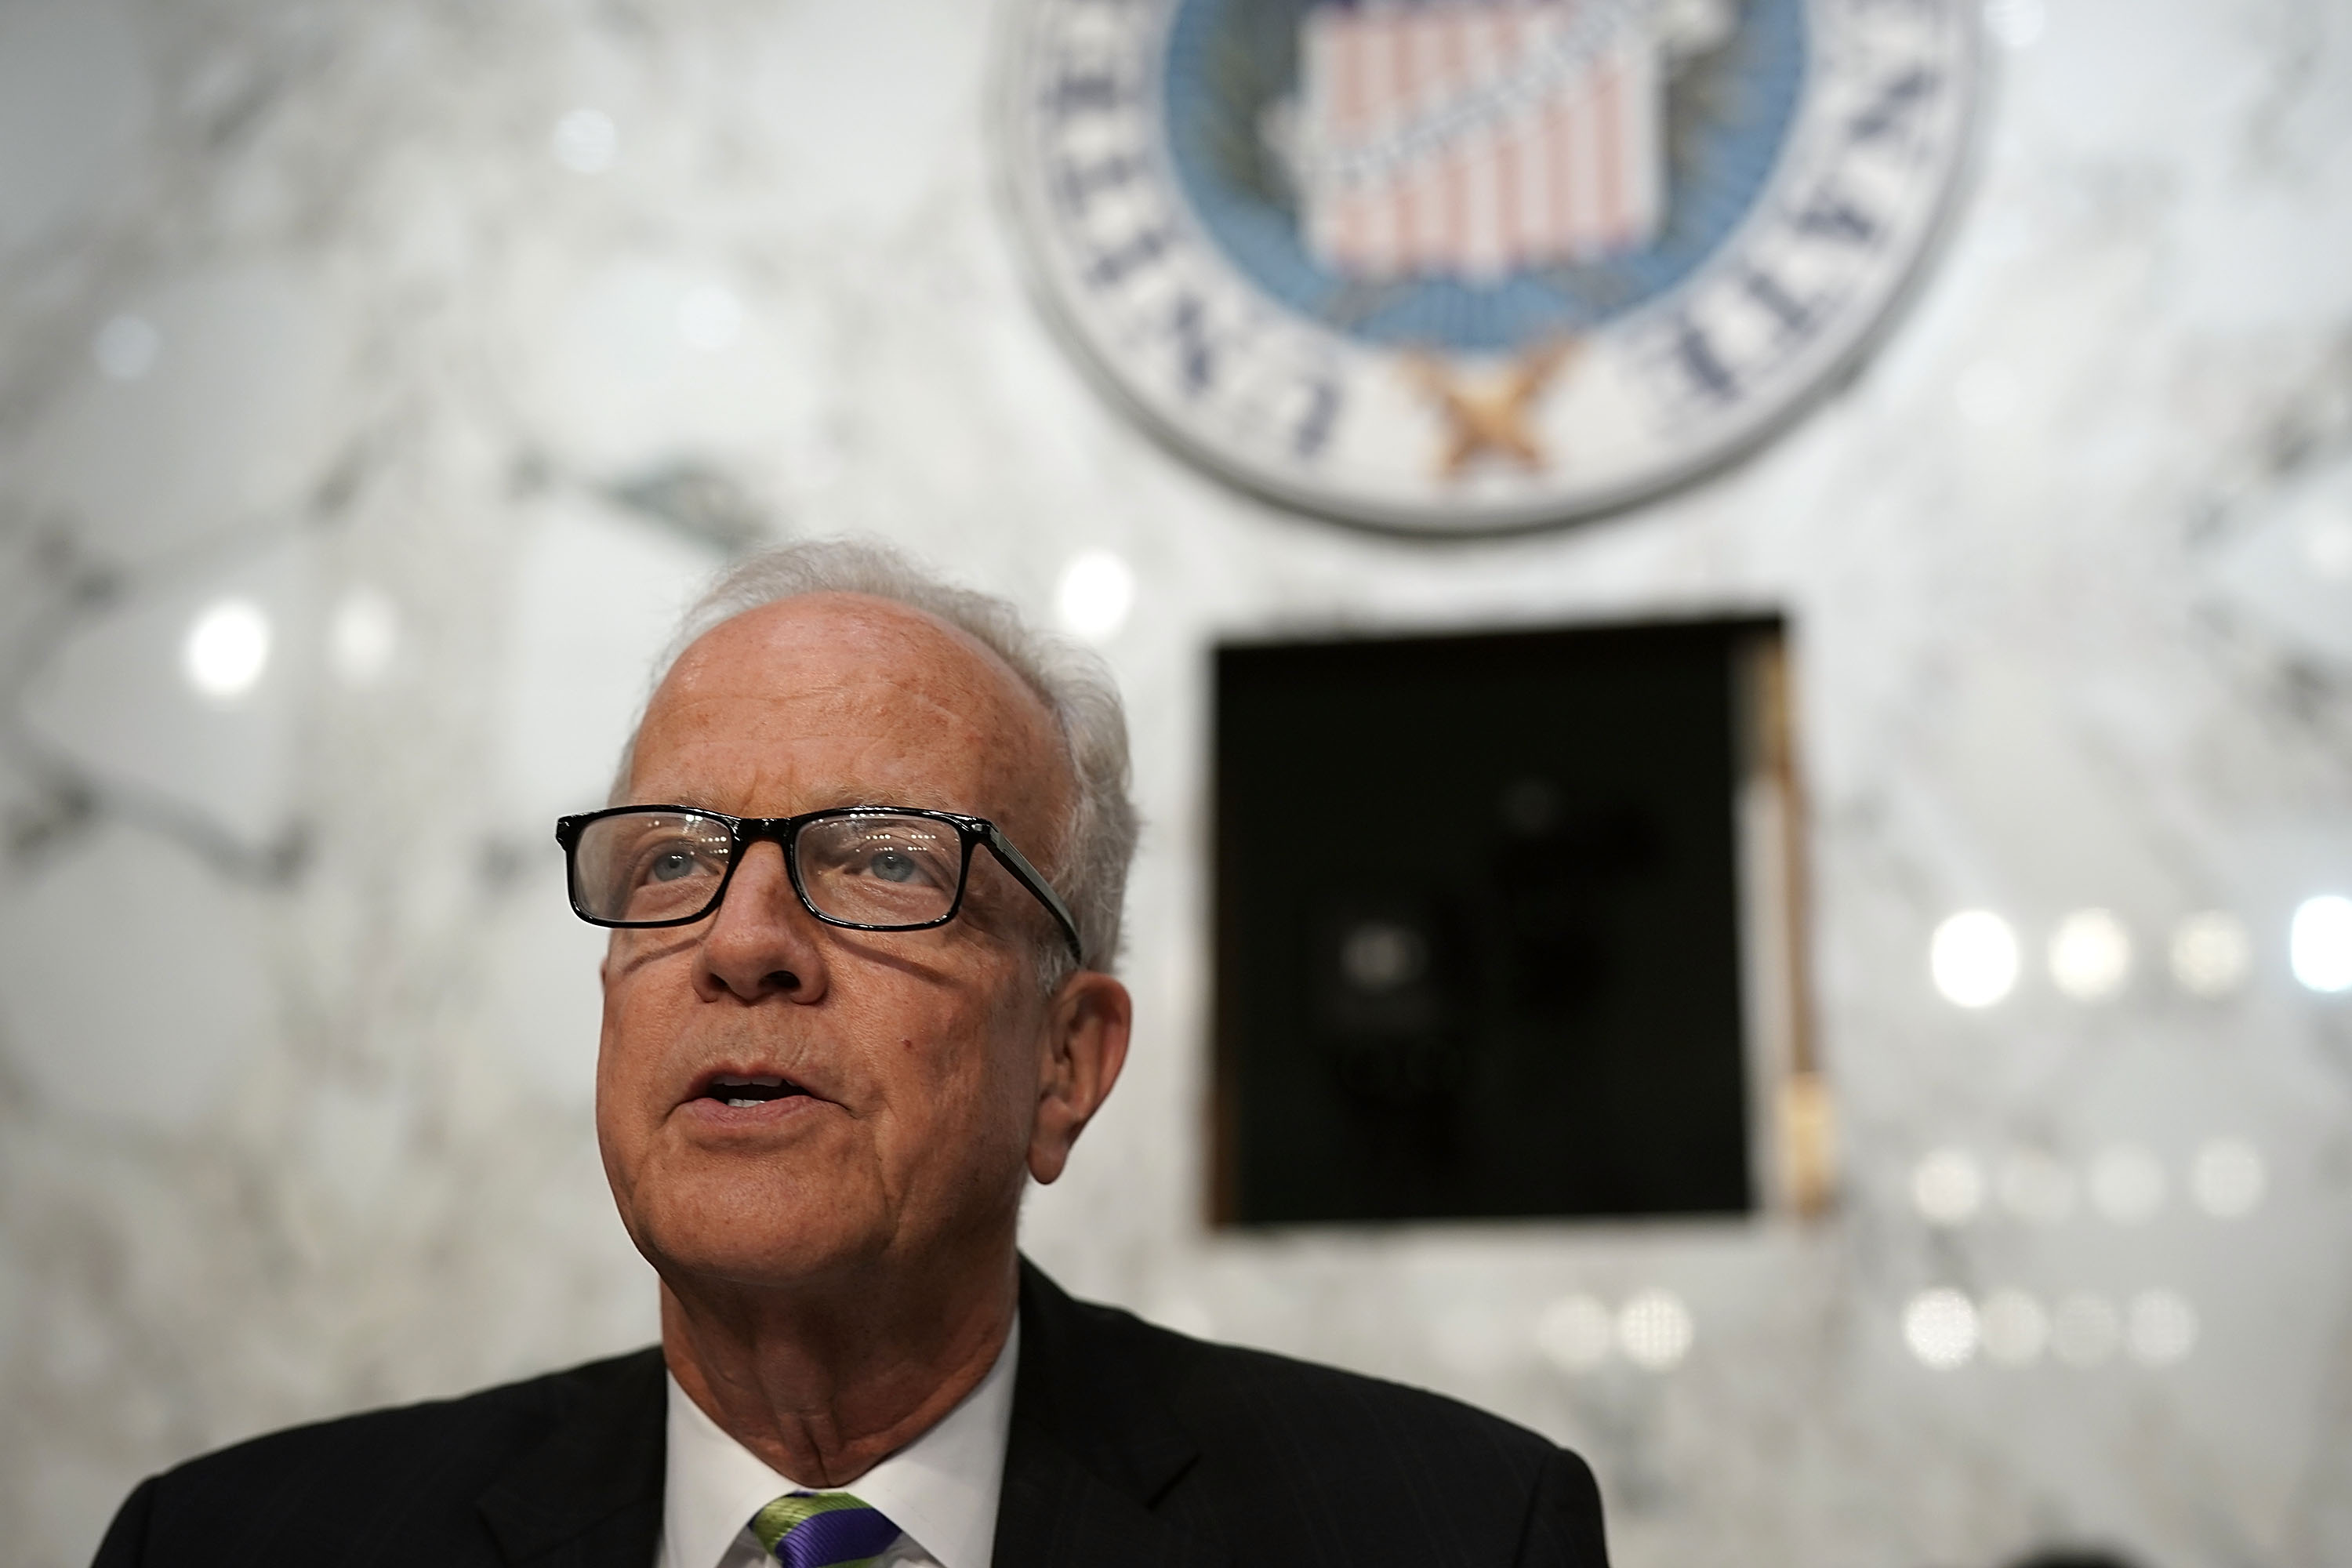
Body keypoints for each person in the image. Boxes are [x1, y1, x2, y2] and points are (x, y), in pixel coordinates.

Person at [93, 541, 1609, 1567]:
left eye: (884, 860)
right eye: (675, 860)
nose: (744, 940)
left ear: (1068, 1063)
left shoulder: (1453, 1532)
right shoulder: (234, 1543)